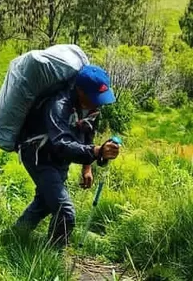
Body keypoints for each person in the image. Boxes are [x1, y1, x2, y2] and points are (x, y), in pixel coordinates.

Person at [14, 64, 121, 248]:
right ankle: (52, 260)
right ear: (80, 91)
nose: (99, 103)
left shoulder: (92, 107)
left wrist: (87, 168)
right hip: (39, 155)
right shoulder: (58, 106)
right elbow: (61, 144)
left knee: (45, 203)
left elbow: (88, 135)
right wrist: (97, 151)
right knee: (65, 212)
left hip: (59, 159)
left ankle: (14, 237)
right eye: (95, 97)